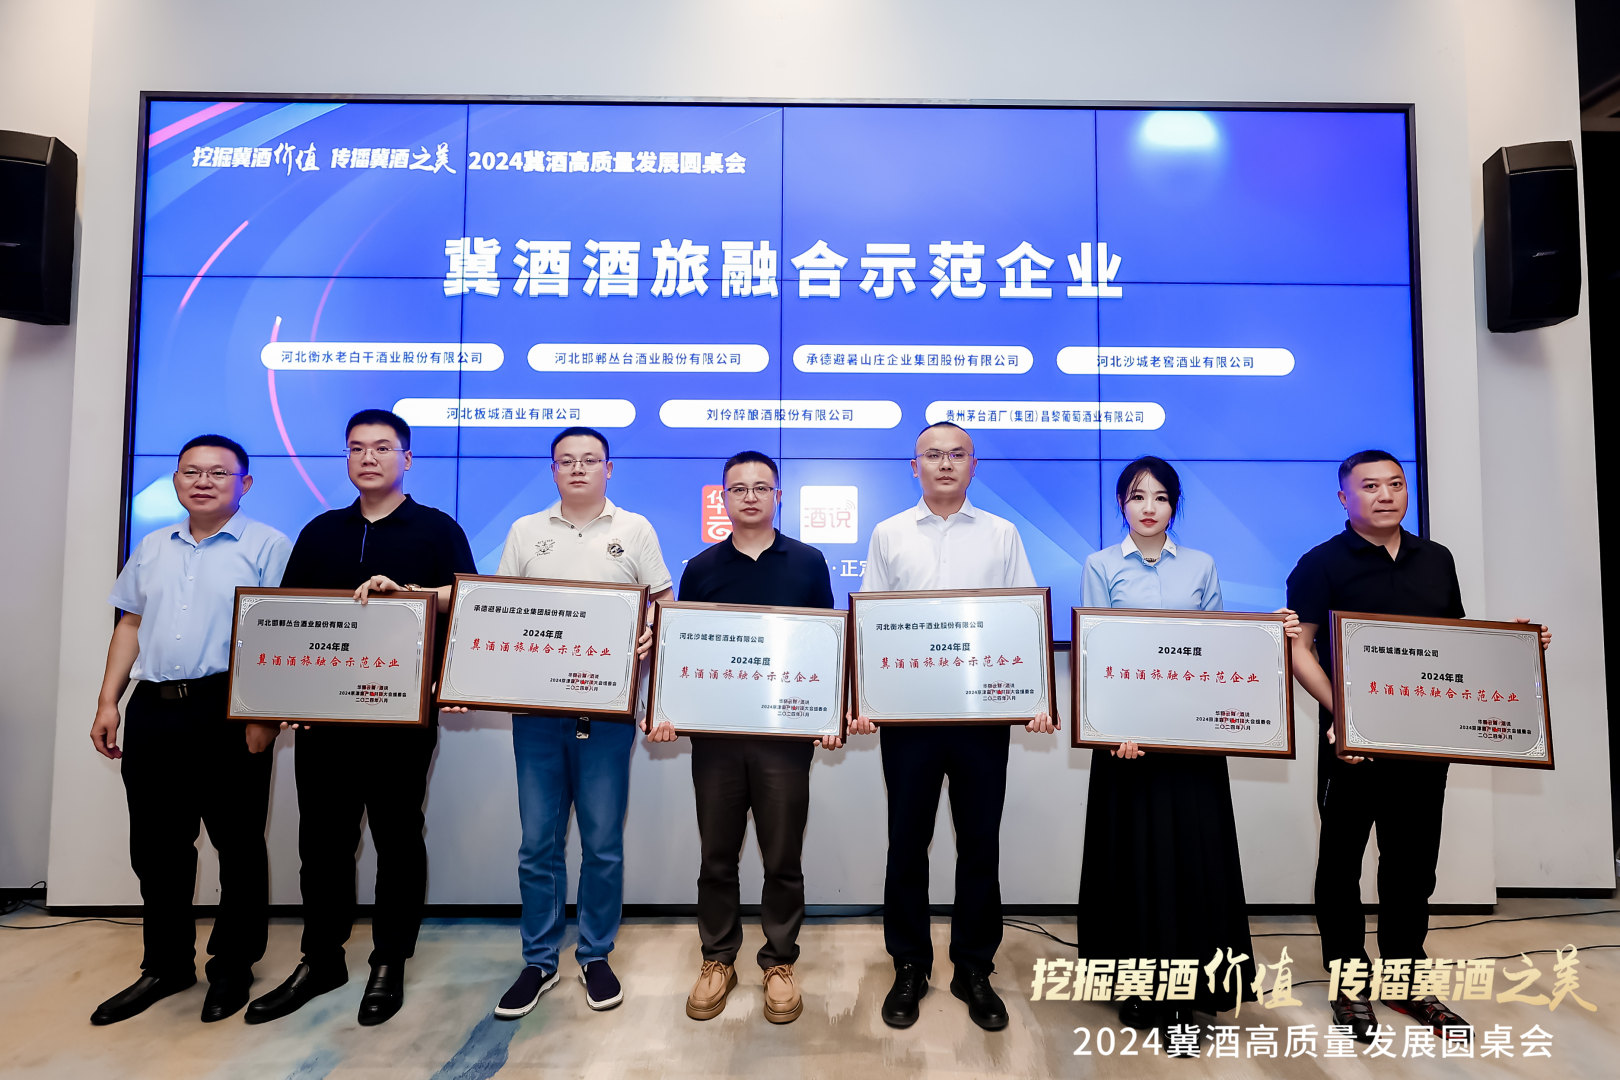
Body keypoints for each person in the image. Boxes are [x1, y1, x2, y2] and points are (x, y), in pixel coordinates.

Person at [1286, 450, 1551, 1041]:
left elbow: (1451, 643)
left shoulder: (1437, 559)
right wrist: (1344, 715)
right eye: (1370, 486)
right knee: (1340, 866)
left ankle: (1406, 980)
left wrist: (1514, 647)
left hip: (1425, 744)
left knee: (1412, 866)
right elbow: (1299, 649)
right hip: (1352, 745)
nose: (1386, 495)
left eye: (1396, 484)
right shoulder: (1319, 563)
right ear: (1344, 498)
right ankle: (1348, 982)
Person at [245, 409, 475, 1027]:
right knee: (322, 841)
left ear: (407, 458)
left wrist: (411, 597)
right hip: (325, 721)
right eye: (356, 448)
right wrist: (282, 700)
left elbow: (471, 601)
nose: (368, 458)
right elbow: (287, 617)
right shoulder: (321, 531)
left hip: (401, 719)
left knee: (398, 837)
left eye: (382, 447)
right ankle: (321, 959)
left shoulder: (436, 528)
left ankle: (389, 960)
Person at [1076, 457, 1298, 1043]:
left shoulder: (1202, 565)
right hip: (1126, 742)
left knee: (1193, 857)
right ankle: (1138, 988)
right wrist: (1113, 728)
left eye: (1160, 497)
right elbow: (1097, 651)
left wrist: (1270, 633)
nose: (1148, 507)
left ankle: (1195, 989)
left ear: (1175, 506)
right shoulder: (1100, 565)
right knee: (1133, 859)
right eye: (1137, 496)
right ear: (1121, 505)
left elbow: (1217, 647)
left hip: (1190, 736)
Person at [849, 421, 1057, 1032]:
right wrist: (865, 698)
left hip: (982, 717)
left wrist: (1037, 696)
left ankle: (973, 968)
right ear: (913, 466)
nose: (945, 464)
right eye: (933, 454)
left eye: (957, 454)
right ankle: (910, 965)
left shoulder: (1002, 533)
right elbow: (870, 622)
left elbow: (1024, 617)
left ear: (974, 464)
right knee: (906, 843)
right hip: (909, 719)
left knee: (979, 843)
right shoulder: (888, 533)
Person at [89, 435, 291, 1025]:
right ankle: (166, 964)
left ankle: (232, 966)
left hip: (228, 708)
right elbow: (130, 623)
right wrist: (108, 701)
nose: (203, 482)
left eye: (218, 473)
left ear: (244, 483)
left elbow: (283, 631)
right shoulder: (153, 545)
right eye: (191, 472)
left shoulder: (268, 545)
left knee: (238, 845)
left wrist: (264, 714)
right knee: (157, 848)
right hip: (154, 710)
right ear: (176, 480)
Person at [489, 427, 673, 1021]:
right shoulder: (525, 531)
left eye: (589, 460)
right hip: (537, 714)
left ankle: (595, 955)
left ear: (608, 469)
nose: (577, 468)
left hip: (607, 714)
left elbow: (663, 605)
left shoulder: (635, 529)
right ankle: (539, 961)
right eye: (566, 460)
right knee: (536, 844)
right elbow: (499, 609)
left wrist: (653, 634)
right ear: (552, 470)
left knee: (602, 843)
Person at [653, 450, 838, 1025]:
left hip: (785, 739)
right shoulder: (701, 567)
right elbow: (682, 649)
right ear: (724, 498)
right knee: (717, 855)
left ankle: (779, 961)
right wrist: (668, 709)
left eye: (761, 487)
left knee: (783, 857)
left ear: (777, 496)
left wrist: (830, 715)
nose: (750, 496)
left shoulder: (808, 562)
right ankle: (718, 957)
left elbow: (826, 645)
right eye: (739, 488)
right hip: (717, 742)